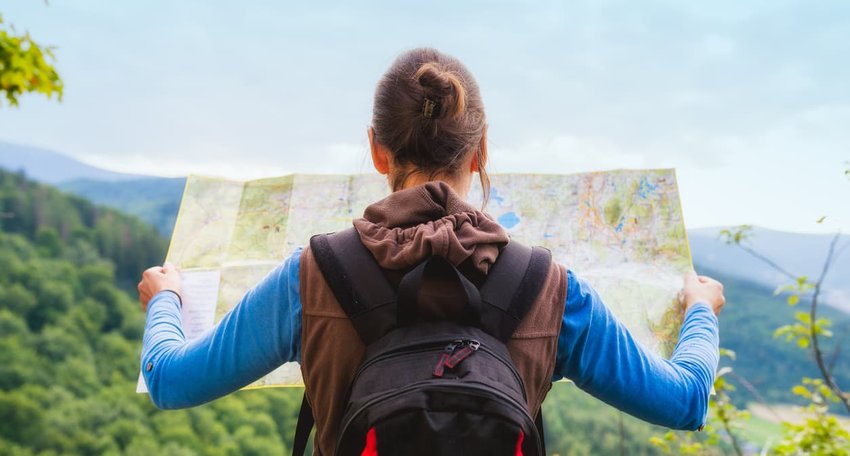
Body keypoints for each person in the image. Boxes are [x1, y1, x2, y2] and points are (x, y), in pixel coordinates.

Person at [138, 47, 725, 455]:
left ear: (376, 150)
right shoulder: (551, 290)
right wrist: (699, 309)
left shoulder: (311, 278)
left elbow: (170, 380)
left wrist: (166, 299)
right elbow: (685, 401)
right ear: (481, 151)